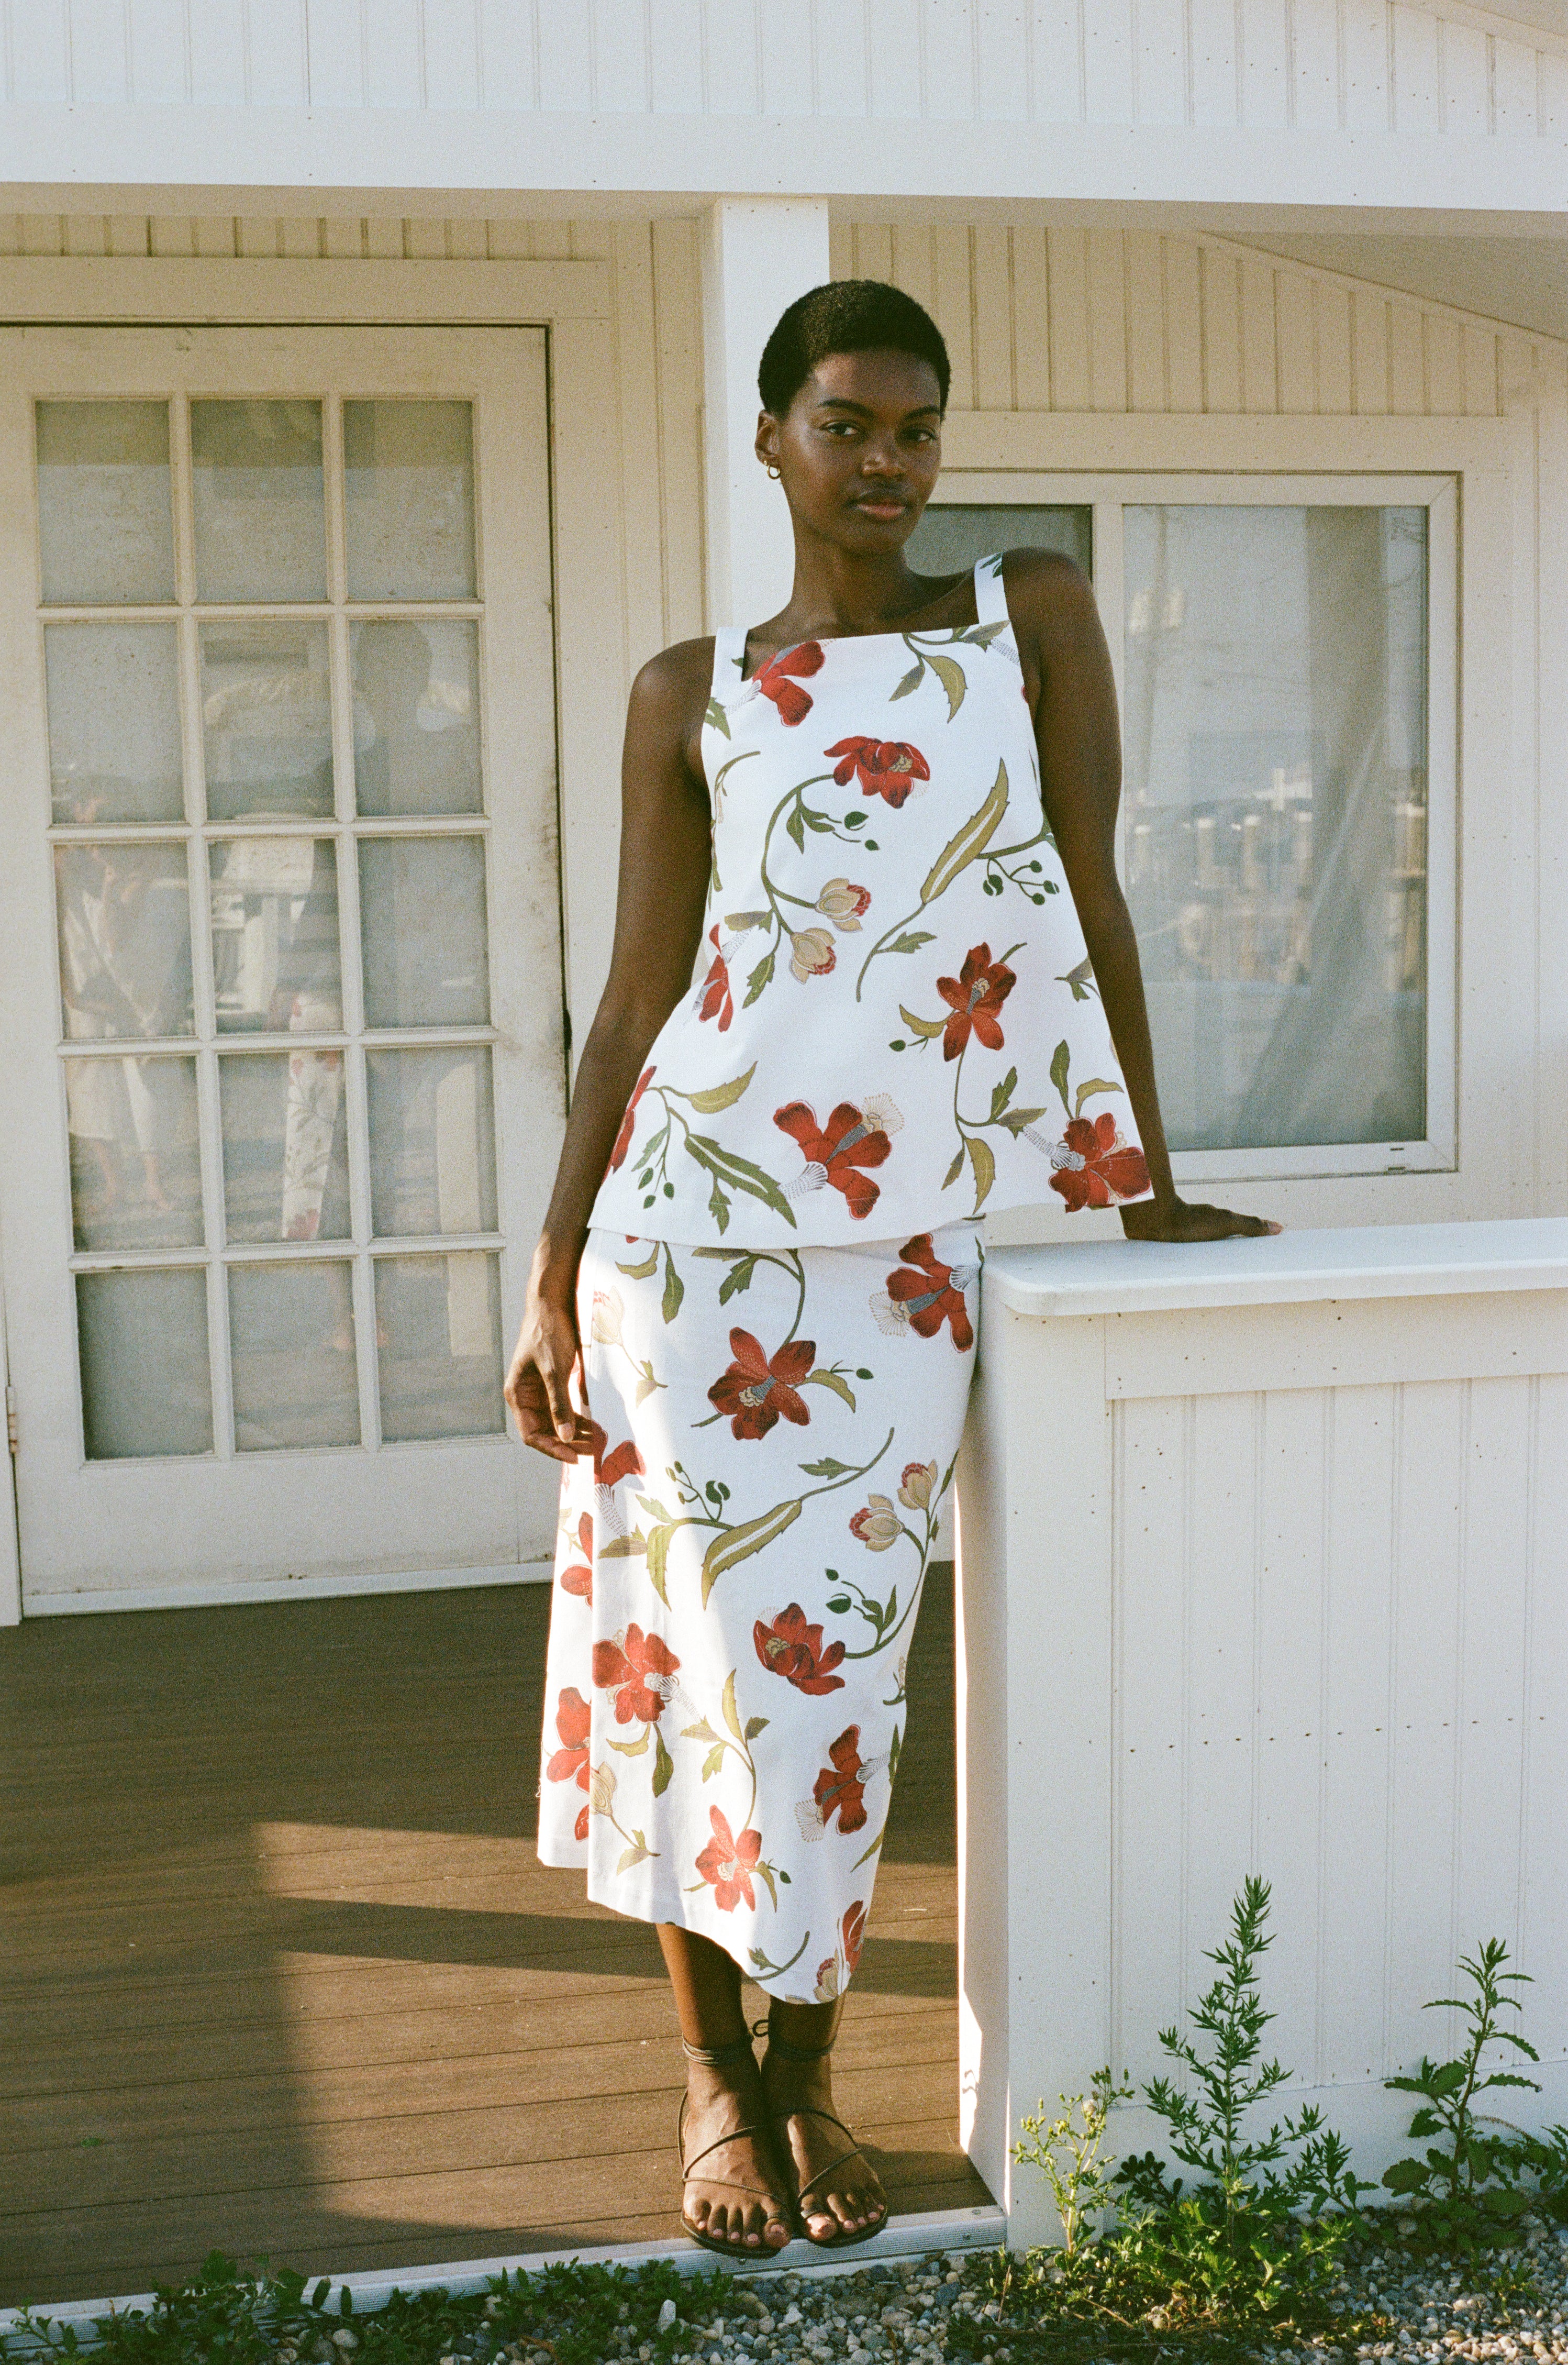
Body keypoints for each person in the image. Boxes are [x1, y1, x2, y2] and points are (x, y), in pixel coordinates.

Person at [504, 280, 1277, 2259]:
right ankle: (711, 2084)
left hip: (898, 1255)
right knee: (683, 1665)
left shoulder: (1025, 613)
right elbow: (635, 993)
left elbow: (1087, 889)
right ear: (769, 439)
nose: (886, 460)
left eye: (916, 427)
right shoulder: (693, 688)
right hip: (680, 1244)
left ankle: (813, 2069)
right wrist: (548, 1267)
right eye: (845, 423)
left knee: (843, 1683)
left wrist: (1144, 1181)